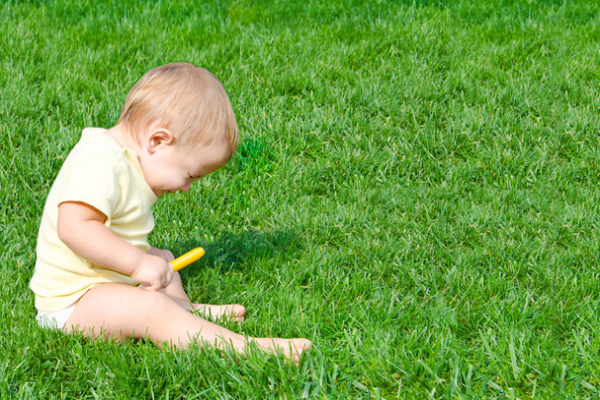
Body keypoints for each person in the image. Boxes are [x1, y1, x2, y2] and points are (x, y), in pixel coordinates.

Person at [30, 62, 311, 363]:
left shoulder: (125, 159)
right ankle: (247, 348)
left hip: (101, 285)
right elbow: (74, 227)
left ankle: (184, 312)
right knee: (151, 309)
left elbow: (109, 233)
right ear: (158, 141)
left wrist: (146, 256)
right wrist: (138, 264)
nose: (187, 188)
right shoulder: (102, 164)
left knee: (164, 261)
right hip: (72, 305)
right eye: (190, 175)